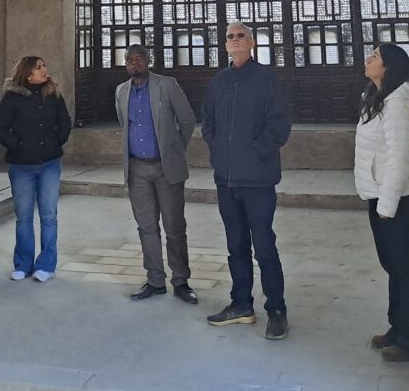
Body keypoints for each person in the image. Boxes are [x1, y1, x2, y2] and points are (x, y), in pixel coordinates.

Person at [202, 22, 292, 340]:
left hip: (258, 180)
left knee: (264, 246)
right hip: (227, 181)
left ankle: (277, 310)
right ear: (225, 45)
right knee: (236, 247)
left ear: (251, 43)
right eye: (230, 37)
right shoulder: (219, 82)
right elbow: (208, 122)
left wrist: (255, 151)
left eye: (241, 35)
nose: (235, 40)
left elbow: (279, 125)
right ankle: (241, 304)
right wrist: (217, 153)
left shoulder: (267, 80)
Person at [354, 43, 409, 363]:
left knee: (405, 267)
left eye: (375, 57)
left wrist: (387, 205)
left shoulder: (399, 101)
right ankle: (398, 326)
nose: (368, 60)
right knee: (393, 265)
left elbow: (401, 156)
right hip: (380, 193)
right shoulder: (375, 95)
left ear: (389, 66)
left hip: (398, 197)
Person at [114, 43, 197, 304]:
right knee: (146, 227)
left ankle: (181, 281)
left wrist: (174, 150)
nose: (134, 62)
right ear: (125, 64)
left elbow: (187, 120)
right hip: (137, 168)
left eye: (139, 58)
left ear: (148, 61)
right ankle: (155, 280)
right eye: (129, 59)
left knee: (174, 227)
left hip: (166, 167)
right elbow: (123, 124)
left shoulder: (167, 85)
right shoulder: (121, 91)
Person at [0, 55, 71, 282]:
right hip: (21, 166)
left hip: (49, 163)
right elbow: (0, 127)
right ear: (28, 72)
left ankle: (46, 265)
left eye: (44, 65)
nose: (44, 69)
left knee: (49, 215)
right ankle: (23, 264)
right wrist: (17, 145)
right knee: (24, 216)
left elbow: (64, 122)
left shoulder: (53, 96)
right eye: (39, 67)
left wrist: (56, 142)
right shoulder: (12, 98)